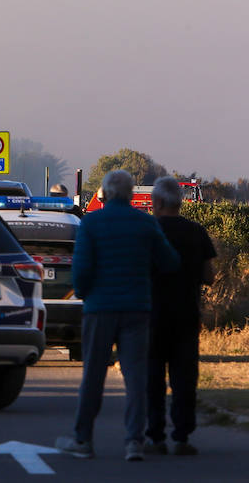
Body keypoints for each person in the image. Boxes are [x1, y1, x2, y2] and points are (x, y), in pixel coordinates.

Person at [56, 169, 179, 462]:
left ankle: (83, 439)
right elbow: (170, 262)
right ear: (132, 194)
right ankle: (134, 441)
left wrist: (85, 293)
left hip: (100, 308)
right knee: (136, 377)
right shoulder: (146, 223)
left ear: (105, 193)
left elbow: (82, 269)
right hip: (137, 307)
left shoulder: (92, 223)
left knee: (93, 375)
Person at [144, 176, 217, 455]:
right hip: (187, 314)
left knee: (153, 377)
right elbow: (209, 276)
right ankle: (183, 436)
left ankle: (155, 436)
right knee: (184, 378)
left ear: (158, 202)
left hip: (152, 315)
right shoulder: (196, 231)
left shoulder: (148, 230)